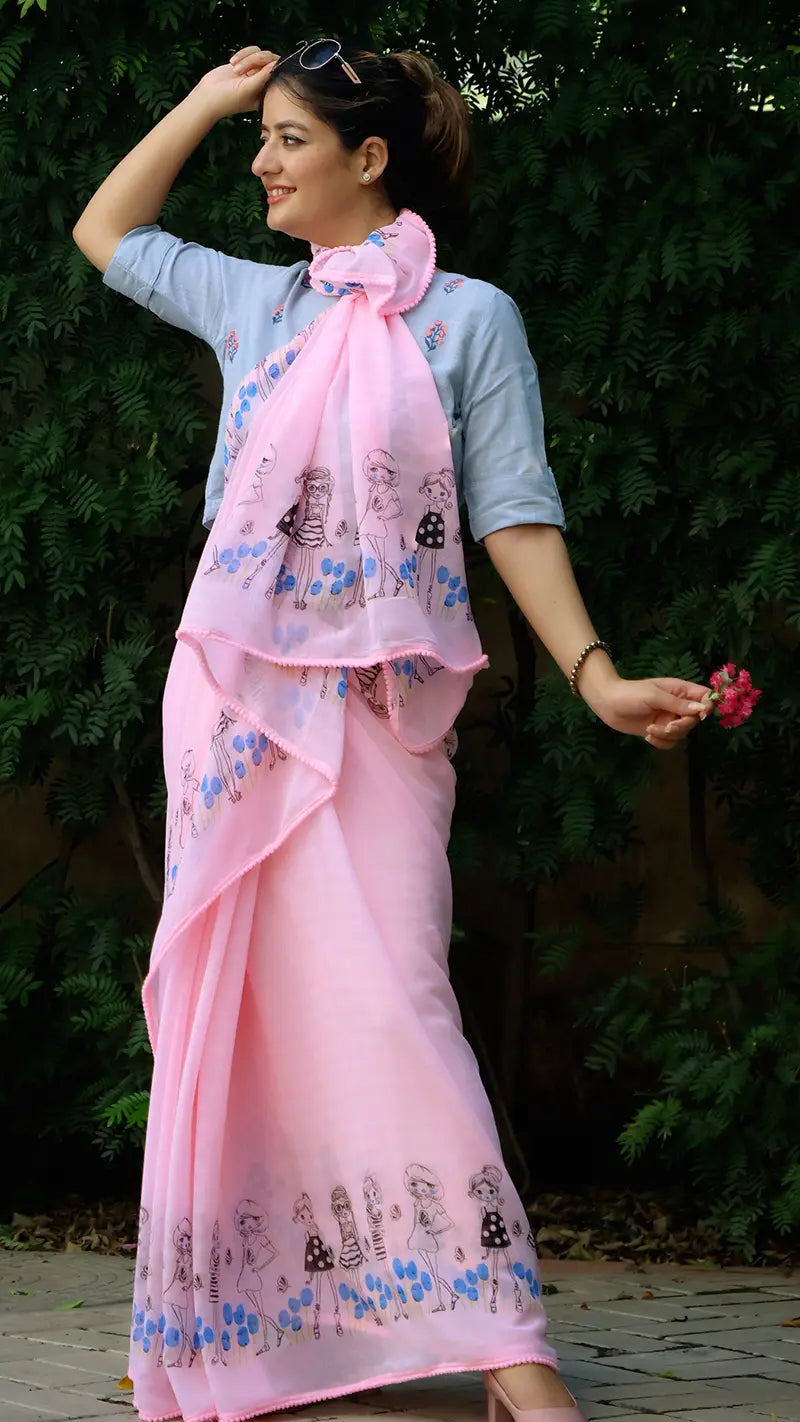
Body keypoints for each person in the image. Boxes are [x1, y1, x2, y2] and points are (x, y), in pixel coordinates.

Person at [73, 38, 711, 1422]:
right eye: (266, 136)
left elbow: (514, 511)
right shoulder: (257, 304)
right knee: (229, 1004)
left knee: (395, 998)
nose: (264, 162)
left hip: (384, 705)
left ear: (371, 160)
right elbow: (107, 230)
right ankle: (218, 1317)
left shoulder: (470, 320)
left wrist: (597, 672)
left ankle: (497, 1330)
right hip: (241, 701)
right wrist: (205, 101)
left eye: (291, 139)